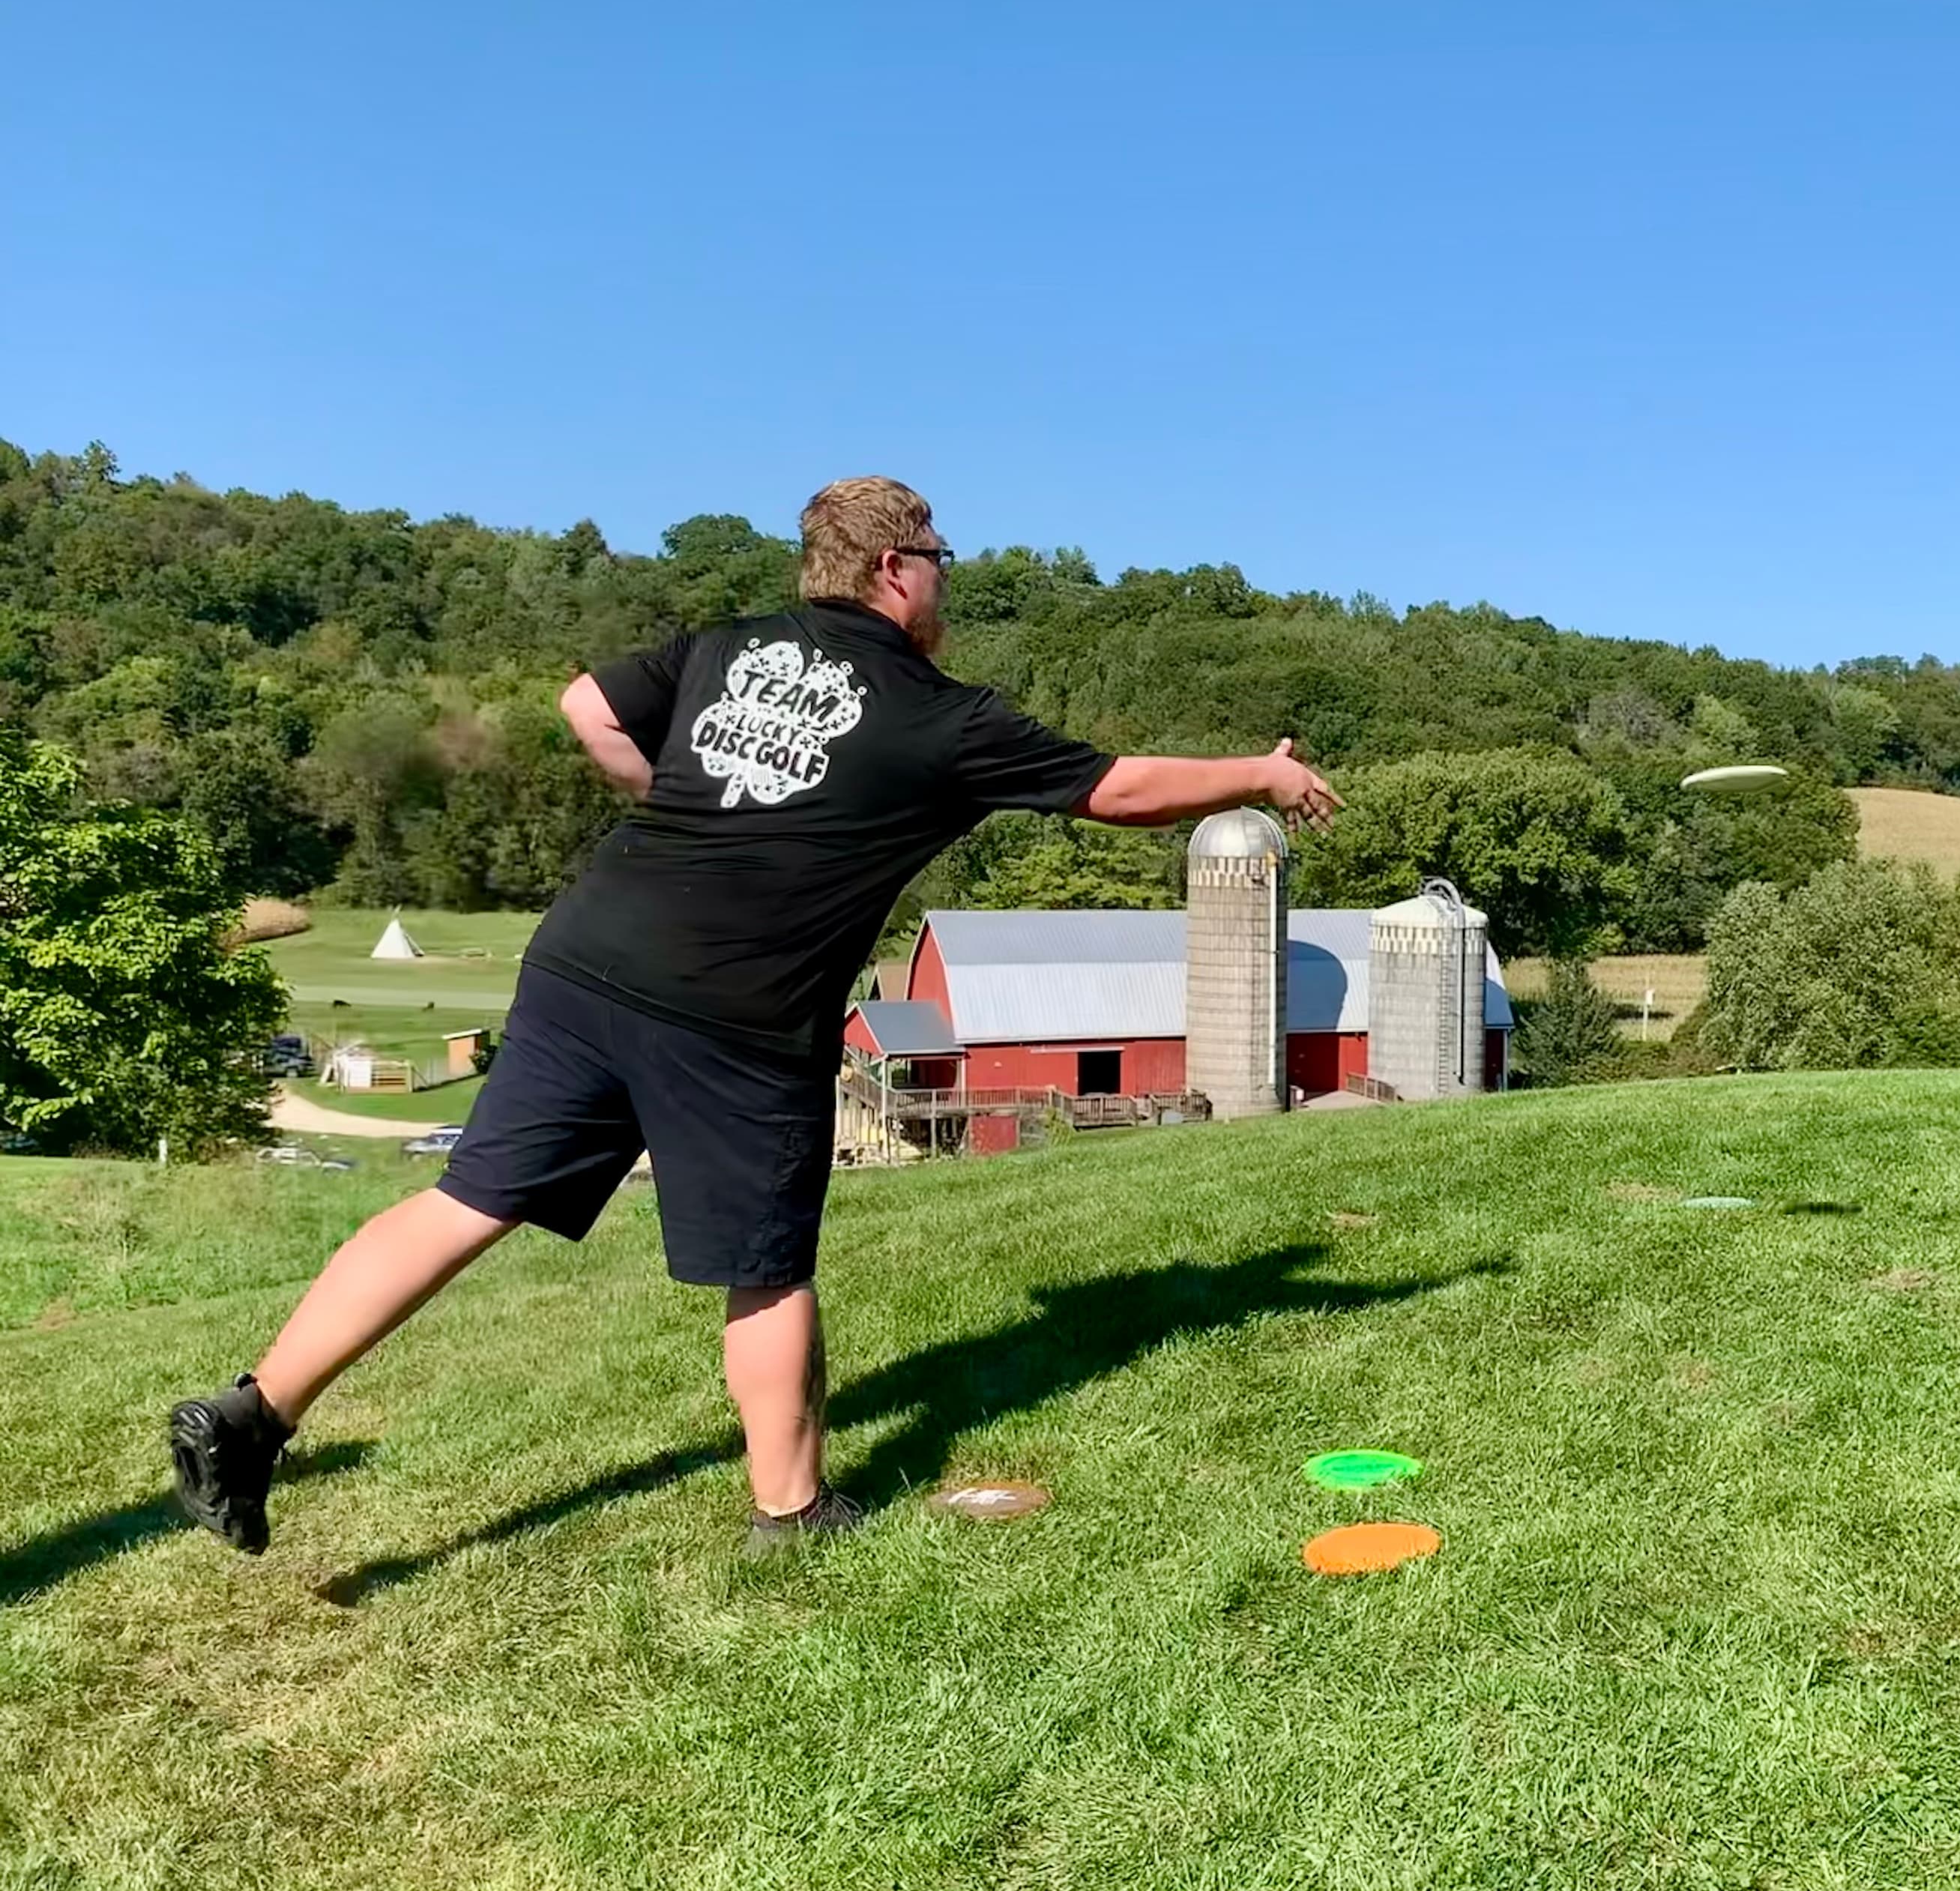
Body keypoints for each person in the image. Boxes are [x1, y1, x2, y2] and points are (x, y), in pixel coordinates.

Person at [167, 476, 1339, 1558]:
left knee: (467, 1200)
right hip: (735, 1012)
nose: (947, 580)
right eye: (941, 558)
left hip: (587, 960)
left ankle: (255, 1410)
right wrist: (1261, 775)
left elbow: (584, 704)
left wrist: (672, 795)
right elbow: (1115, 789)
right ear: (893, 568)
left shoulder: (730, 647)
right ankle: (794, 1513)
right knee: (766, 1267)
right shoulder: (942, 715)